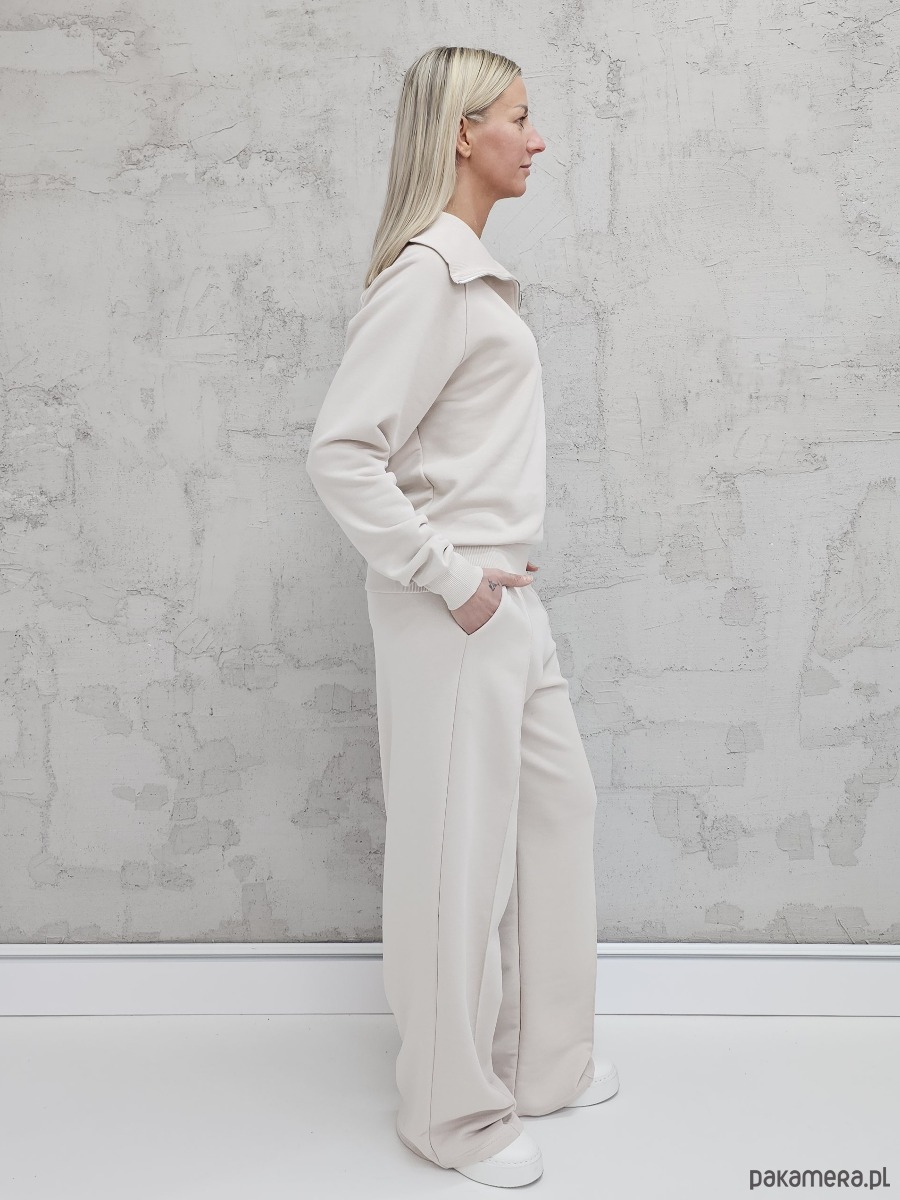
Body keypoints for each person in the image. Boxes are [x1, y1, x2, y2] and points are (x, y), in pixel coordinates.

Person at [305, 44, 619, 1189]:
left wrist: (491, 589)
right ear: (461, 133)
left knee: (555, 818)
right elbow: (343, 454)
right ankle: (451, 1117)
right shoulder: (428, 278)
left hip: (506, 601)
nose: (537, 139)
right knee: (457, 859)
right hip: (456, 609)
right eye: (518, 118)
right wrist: (452, 580)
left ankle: (542, 1064)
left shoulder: (473, 273)